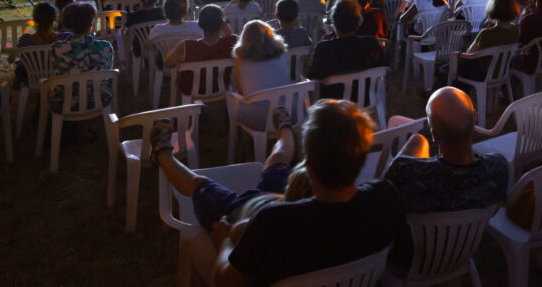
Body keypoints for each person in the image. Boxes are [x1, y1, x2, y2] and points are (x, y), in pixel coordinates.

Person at [153, 100, 406, 286]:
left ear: (307, 163)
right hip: (282, 199)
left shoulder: (273, 225)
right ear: (362, 157)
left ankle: (162, 153)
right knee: (276, 163)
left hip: (243, 212)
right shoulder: (385, 199)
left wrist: (228, 241)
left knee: (200, 186)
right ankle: (284, 129)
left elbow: (224, 281)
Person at [384, 86, 509, 216]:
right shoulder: (498, 167)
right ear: (474, 116)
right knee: (418, 140)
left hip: (422, 236)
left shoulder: (405, 172)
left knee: (418, 141)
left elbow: (384, 198)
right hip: (472, 234)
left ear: (434, 135)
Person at [306, 0, 385, 96]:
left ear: (334, 22)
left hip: (333, 106)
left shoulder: (323, 49)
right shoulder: (371, 44)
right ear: (358, 22)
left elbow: (313, 81)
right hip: (366, 100)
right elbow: (382, 70)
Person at [49, 1, 115, 112]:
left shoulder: (56, 49)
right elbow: (108, 74)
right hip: (99, 99)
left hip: (64, 102)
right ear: (92, 23)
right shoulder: (105, 47)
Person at [232, 21, 296, 126]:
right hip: (288, 111)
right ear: (269, 33)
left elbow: (239, 89)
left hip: (258, 119)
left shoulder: (241, 58)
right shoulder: (282, 52)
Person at [165, 4, 236, 98]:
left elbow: (168, 64)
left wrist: (170, 52)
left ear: (200, 24)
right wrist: (228, 31)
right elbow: (232, 38)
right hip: (222, 88)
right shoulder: (232, 43)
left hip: (190, 90)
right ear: (222, 23)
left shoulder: (186, 46)